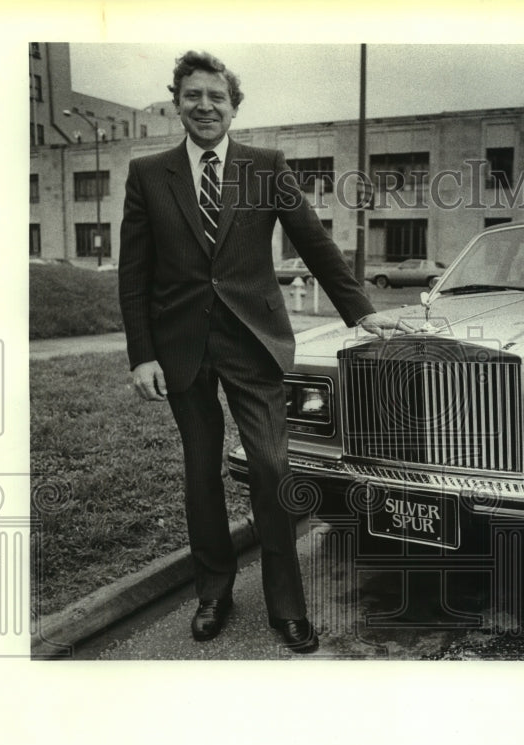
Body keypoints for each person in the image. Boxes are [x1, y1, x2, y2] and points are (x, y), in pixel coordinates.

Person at [118, 50, 408, 652]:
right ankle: (213, 591)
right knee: (200, 473)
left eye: (216, 97)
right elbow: (134, 274)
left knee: (273, 471)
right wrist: (141, 354)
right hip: (180, 347)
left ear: (233, 106)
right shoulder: (149, 174)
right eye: (193, 95)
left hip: (254, 342)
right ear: (177, 101)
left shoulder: (266, 166)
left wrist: (363, 311)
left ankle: (286, 604)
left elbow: (315, 242)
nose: (205, 106)